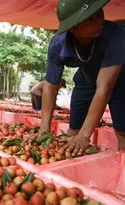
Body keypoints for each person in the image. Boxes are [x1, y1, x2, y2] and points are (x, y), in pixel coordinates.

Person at [28, 0, 125, 155]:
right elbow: (51, 86)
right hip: (86, 79)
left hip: (120, 81)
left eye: (99, 12)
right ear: (73, 27)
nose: (99, 19)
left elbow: (104, 89)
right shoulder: (57, 45)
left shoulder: (116, 35)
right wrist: (44, 129)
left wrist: (85, 135)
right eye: (90, 18)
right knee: (74, 130)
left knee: (122, 132)